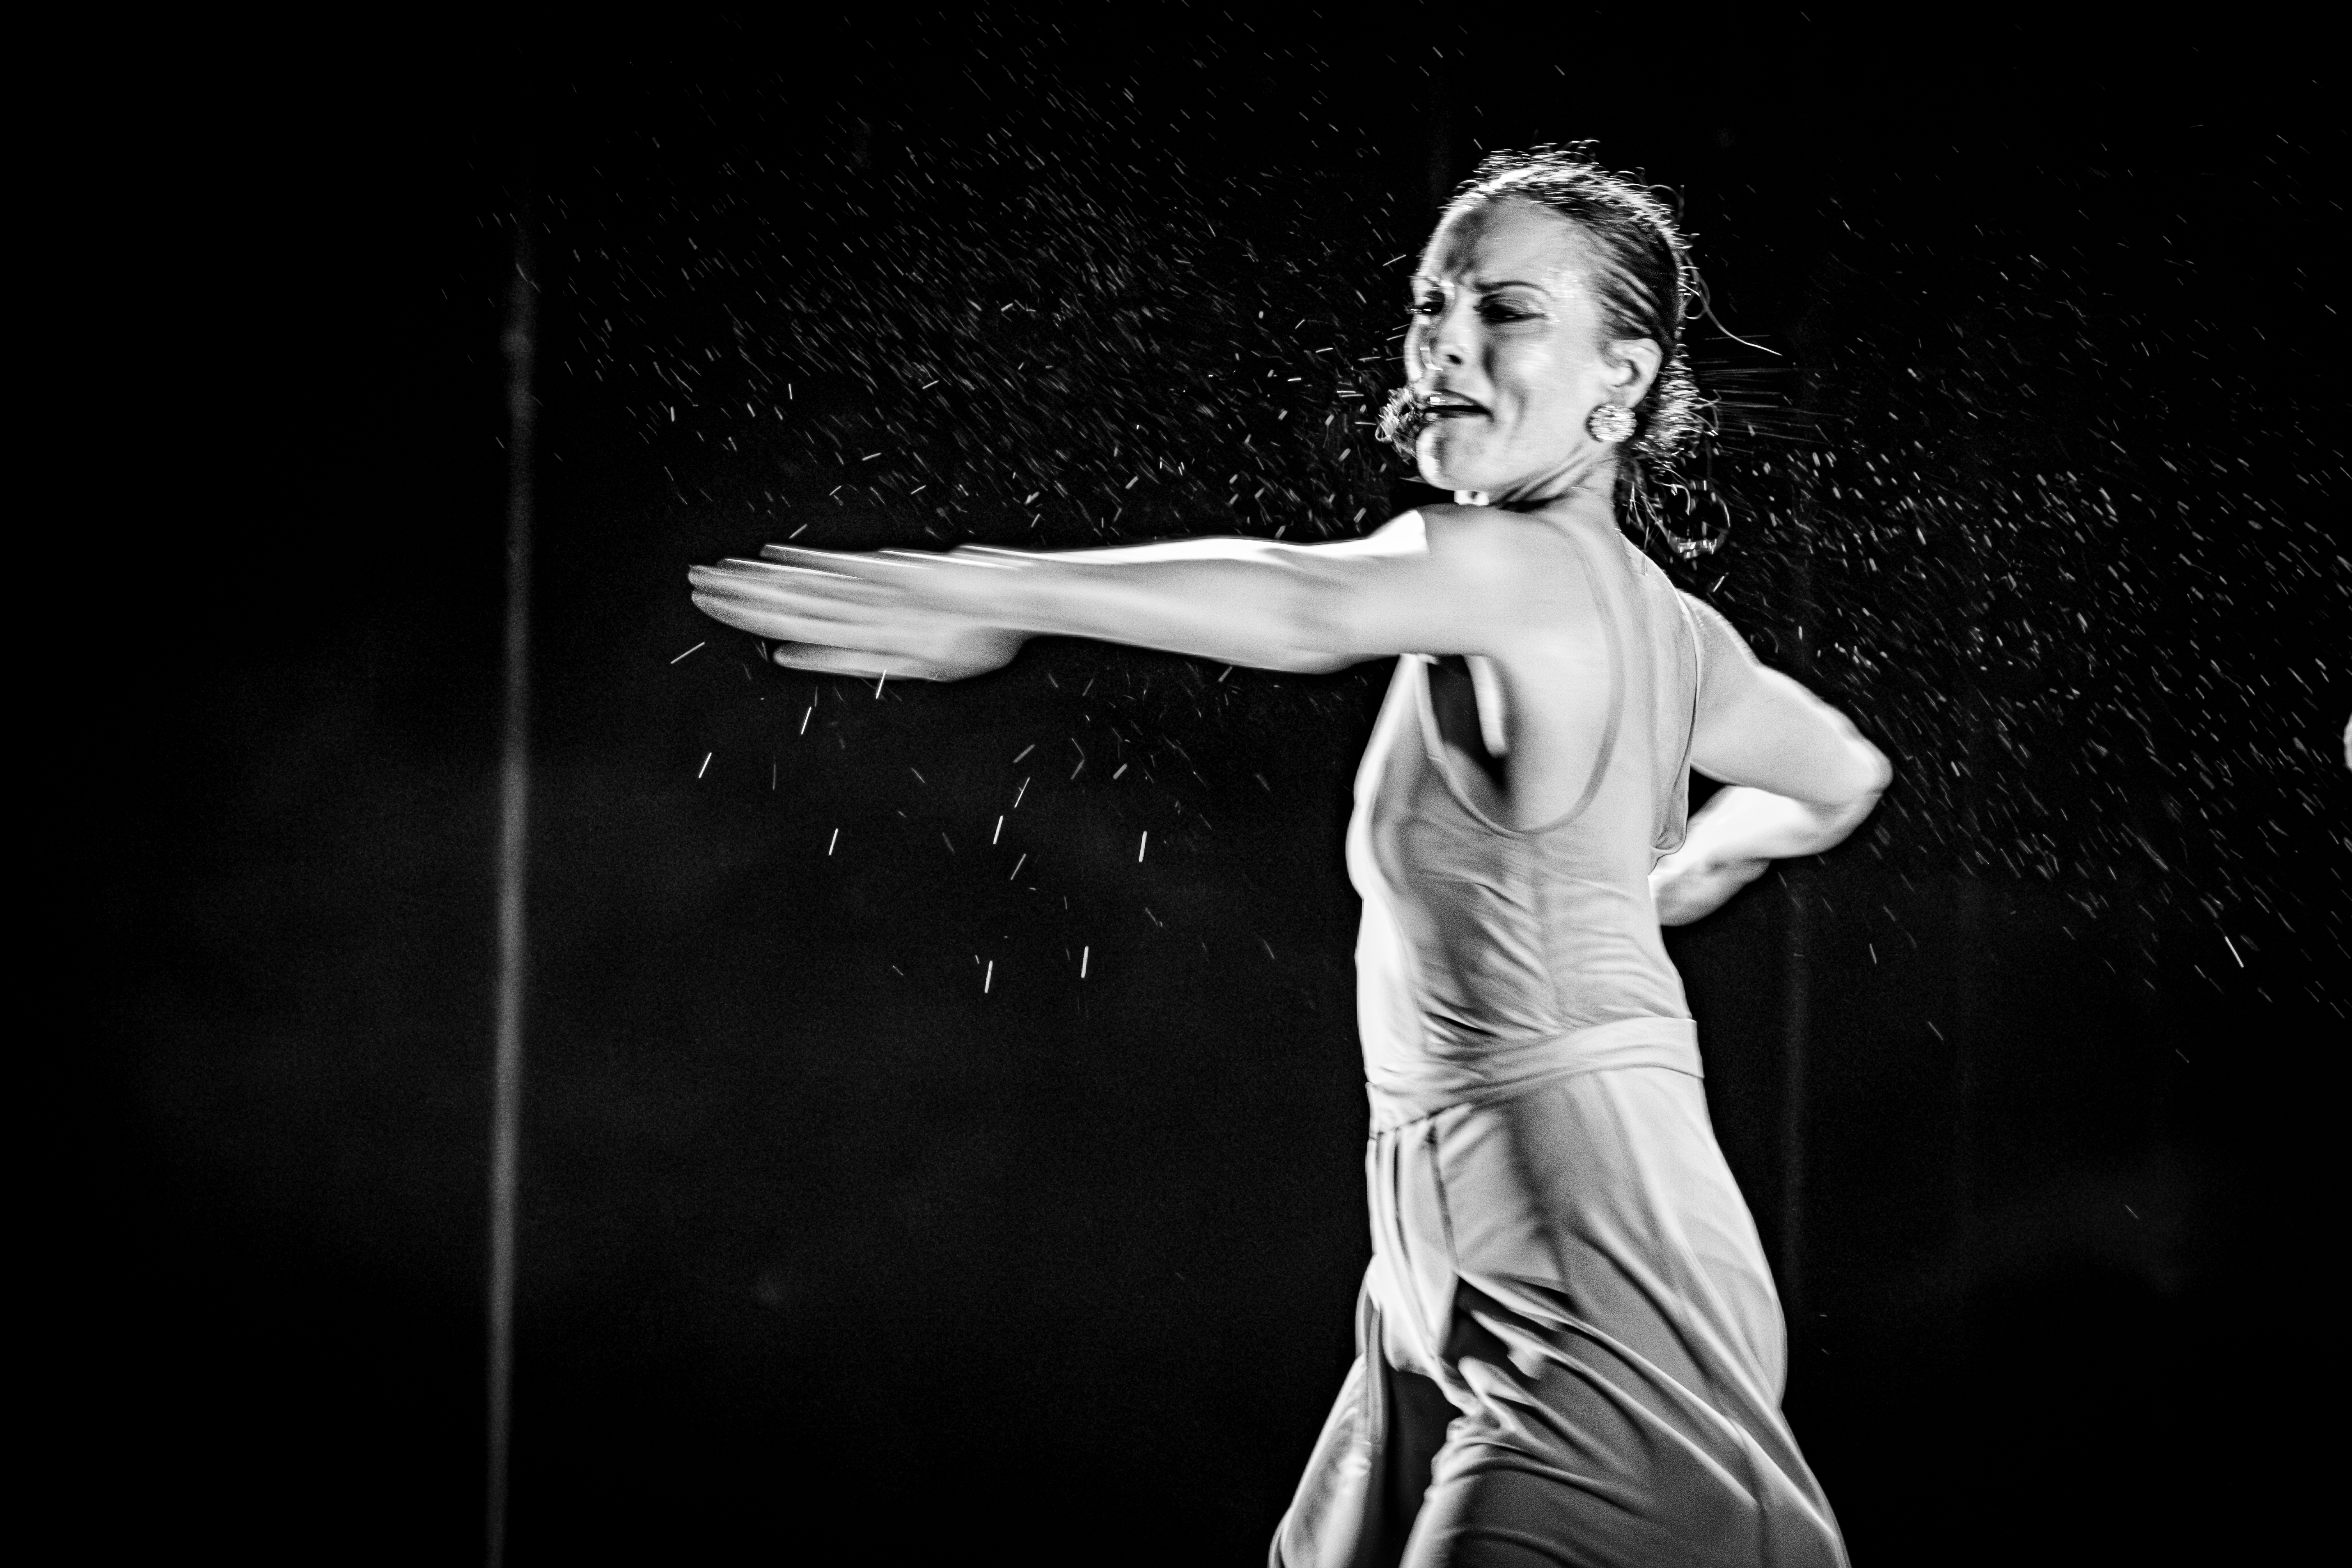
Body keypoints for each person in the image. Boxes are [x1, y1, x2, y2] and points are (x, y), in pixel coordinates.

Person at [688, 148, 1888, 1568]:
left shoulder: (1517, 571)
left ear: (1618, 378)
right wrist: (1685, 877)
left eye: (1504, 311)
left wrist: (993, 586)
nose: (1442, 340)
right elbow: (1839, 774)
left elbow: (1319, 598)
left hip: (1583, 1240)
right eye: (1432, 303)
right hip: (1477, 1245)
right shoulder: (1679, 635)